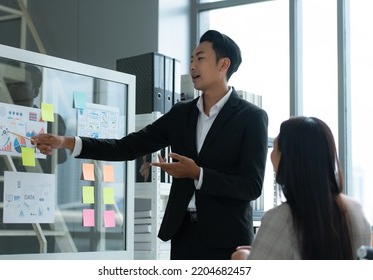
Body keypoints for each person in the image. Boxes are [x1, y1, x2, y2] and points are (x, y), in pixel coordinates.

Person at [32, 30, 269, 260]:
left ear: (223, 64)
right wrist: (67, 141)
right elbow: (127, 147)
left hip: (229, 240)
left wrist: (197, 174)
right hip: (183, 234)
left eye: (200, 58)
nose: (192, 66)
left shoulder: (251, 117)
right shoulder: (181, 114)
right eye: (191, 60)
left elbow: (251, 186)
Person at [231, 116, 371, 260]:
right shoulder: (355, 210)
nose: (271, 155)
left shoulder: (280, 218)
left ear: (289, 160)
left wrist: (244, 257)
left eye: (275, 148)